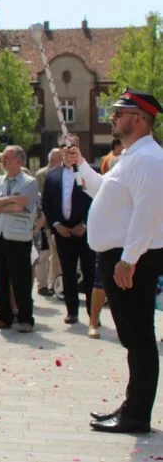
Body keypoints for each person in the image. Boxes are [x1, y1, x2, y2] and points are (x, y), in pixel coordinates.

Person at [65, 89, 163, 433]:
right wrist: (80, 164)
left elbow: (148, 213)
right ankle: (131, 406)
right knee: (133, 338)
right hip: (122, 257)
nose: (113, 116)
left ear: (139, 119)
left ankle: (136, 416)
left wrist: (128, 259)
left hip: (132, 259)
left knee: (138, 338)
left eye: (120, 112)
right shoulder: (133, 156)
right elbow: (103, 189)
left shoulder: (149, 159)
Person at [0, 146, 39, 333]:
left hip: (18, 237)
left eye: (7, 157)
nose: (3, 160)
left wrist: (0, 205)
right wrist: (10, 200)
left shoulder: (29, 182)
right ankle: (4, 317)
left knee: (21, 280)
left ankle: (25, 319)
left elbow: (21, 206)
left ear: (19, 161)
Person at [41, 137, 94, 325]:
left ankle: (92, 314)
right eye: (64, 147)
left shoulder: (90, 172)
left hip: (85, 232)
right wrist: (56, 224)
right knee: (68, 272)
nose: (67, 150)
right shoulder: (53, 175)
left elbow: (98, 201)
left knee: (89, 273)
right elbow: (46, 203)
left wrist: (86, 224)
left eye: (72, 147)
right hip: (63, 231)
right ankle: (72, 311)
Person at [33, 148, 63, 297]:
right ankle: (42, 284)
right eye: (58, 158)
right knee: (43, 254)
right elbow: (39, 199)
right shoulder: (41, 175)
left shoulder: (64, 173)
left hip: (58, 221)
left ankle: (55, 284)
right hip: (44, 220)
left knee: (56, 254)